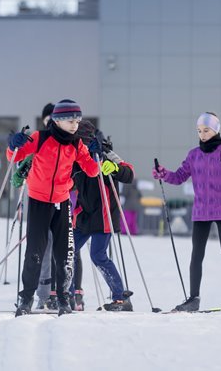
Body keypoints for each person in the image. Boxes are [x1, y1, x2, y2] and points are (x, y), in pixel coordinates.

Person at [153, 112, 221, 311]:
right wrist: (164, 174)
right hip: (201, 211)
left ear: (216, 130)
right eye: (199, 131)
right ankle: (193, 299)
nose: (202, 134)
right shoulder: (193, 154)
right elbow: (179, 177)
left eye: (206, 130)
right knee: (197, 254)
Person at [8, 99, 101, 316]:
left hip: (62, 201)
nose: (74, 125)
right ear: (58, 121)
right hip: (39, 201)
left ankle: (63, 299)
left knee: (65, 253)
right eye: (70, 121)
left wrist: (94, 152)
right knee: (35, 253)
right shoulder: (40, 138)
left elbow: (92, 171)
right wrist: (14, 144)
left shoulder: (76, 144)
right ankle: (26, 298)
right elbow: (15, 156)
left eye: (77, 121)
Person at [71, 120, 135, 311]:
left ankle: (120, 298)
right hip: (84, 213)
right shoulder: (73, 154)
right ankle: (67, 293)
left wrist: (114, 168)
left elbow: (129, 174)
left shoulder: (105, 151)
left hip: (104, 212)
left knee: (98, 255)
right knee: (68, 251)